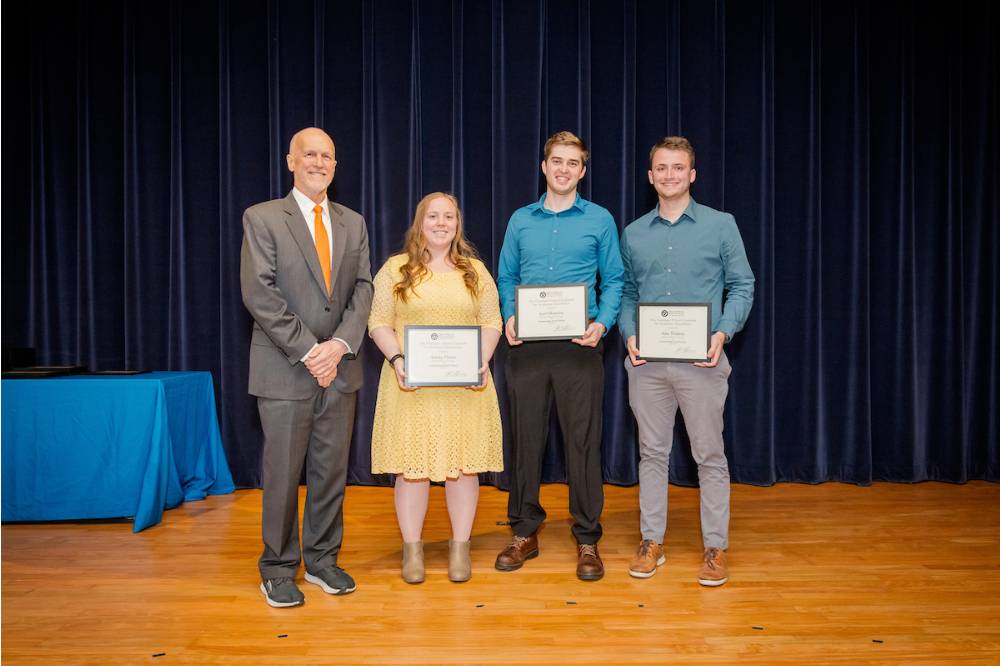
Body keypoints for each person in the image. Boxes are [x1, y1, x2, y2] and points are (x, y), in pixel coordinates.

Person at [240, 127, 373, 607]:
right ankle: (277, 568)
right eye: (310, 154)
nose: (319, 162)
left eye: (328, 155)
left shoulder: (353, 222)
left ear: (335, 165)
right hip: (285, 369)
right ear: (290, 161)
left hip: (340, 368)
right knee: (282, 473)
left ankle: (321, 560)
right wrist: (310, 350)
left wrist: (337, 345)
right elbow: (259, 293)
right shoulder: (262, 218)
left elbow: (363, 290)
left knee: (330, 471)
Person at [619, 136, 755, 586]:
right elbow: (628, 294)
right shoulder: (634, 233)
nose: (670, 175)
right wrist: (629, 335)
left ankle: (715, 548)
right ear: (651, 175)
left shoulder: (721, 225)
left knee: (709, 456)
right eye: (662, 168)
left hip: (703, 363)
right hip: (648, 365)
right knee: (651, 453)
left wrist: (723, 332)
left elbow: (743, 285)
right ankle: (651, 542)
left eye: (679, 168)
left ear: (692, 175)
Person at [494, 131, 624, 581]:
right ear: (544, 166)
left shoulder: (600, 220)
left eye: (573, 162)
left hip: (579, 347)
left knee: (583, 443)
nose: (564, 169)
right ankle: (523, 531)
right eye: (557, 161)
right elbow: (506, 274)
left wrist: (601, 324)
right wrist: (510, 315)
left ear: (582, 171)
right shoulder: (520, 220)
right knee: (526, 440)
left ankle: (587, 537)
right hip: (526, 348)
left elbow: (616, 280)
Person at [368, 192, 504, 584]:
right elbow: (378, 321)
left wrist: (482, 359)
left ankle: (460, 547)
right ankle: (413, 550)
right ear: (419, 223)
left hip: (465, 388)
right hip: (410, 385)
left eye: (449, 216)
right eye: (433, 216)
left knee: (463, 469)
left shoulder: (474, 271)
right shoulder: (395, 269)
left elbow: (492, 320)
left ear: (458, 223)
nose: (441, 223)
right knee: (412, 470)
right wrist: (397, 360)